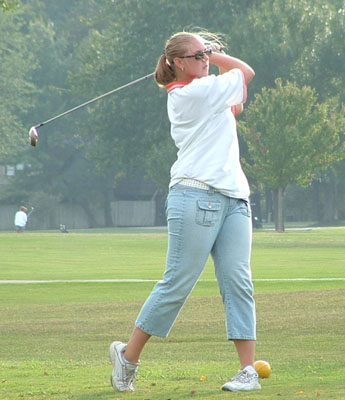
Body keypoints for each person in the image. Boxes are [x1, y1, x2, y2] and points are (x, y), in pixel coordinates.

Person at [109, 30, 259, 393]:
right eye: (198, 55)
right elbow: (246, 72)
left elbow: (238, 98)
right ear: (177, 62)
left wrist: (207, 55)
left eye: (206, 54)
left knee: (239, 283)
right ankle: (127, 358)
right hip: (195, 196)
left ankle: (248, 371)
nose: (205, 59)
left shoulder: (208, 91)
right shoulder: (190, 94)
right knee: (177, 283)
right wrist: (220, 54)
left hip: (235, 198)